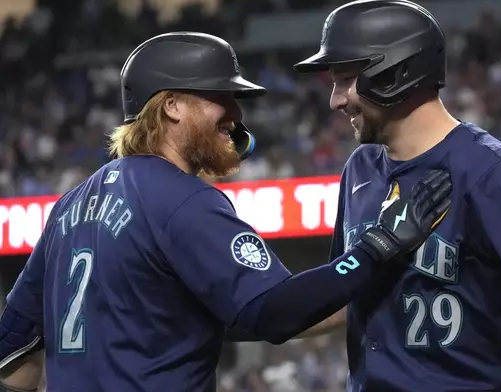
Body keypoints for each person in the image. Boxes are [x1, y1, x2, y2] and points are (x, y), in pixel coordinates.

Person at [0, 32, 453, 392]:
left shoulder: (68, 207)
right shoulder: (182, 200)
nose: (236, 113)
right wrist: (377, 249)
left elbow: (13, 357)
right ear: (172, 105)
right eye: (221, 96)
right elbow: (275, 312)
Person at [293, 1, 501, 391]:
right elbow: (344, 295)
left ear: (394, 73)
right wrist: (251, 316)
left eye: (345, 80)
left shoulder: (491, 171)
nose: (336, 100)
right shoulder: (360, 169)